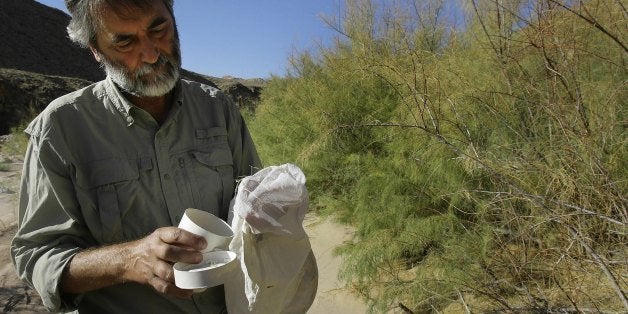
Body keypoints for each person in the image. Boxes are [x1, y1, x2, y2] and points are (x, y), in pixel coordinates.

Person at [10, 0, 261, 312]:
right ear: (95, 49)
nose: (152, 54)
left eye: (159, 30)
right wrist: (129, 260)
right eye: (125, 41)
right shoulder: (60, 129)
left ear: (174, 19)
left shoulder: (218, 109)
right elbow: (37, 257)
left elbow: (255, 207)